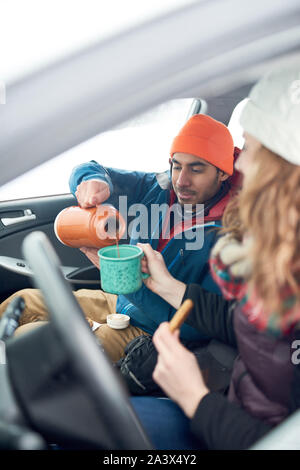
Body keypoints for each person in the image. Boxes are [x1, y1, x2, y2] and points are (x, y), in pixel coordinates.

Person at [130, 65, 300, 450]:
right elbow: (243, 323)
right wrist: (169, 287)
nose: (240, 164)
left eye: (253, 149)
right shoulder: (282, 258)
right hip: (226, 410)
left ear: (286, 173)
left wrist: (194, 397)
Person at [0, 115, 237, 362]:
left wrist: (125, 282)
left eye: (196, 169)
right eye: (177, 165)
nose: (181, 180)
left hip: (152, 333)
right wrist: (92, 182)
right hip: (119, 302)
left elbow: (196, 326)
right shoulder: (159, 188)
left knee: (28, 343)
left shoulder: (230, 237)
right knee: (22, 302)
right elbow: (90, 169)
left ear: (222, 173)